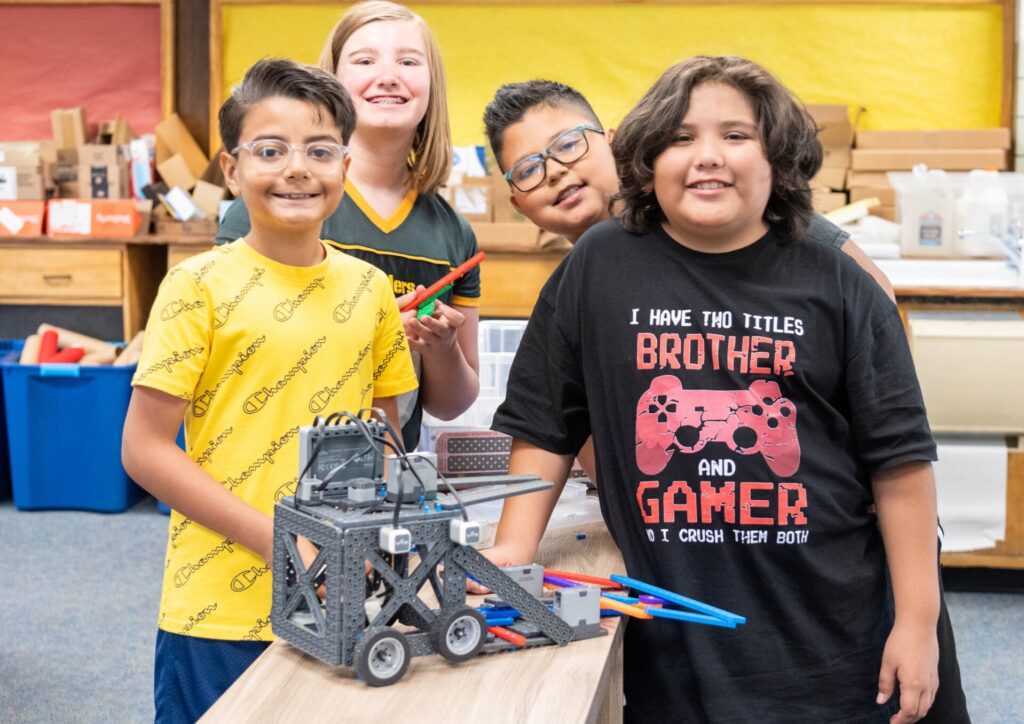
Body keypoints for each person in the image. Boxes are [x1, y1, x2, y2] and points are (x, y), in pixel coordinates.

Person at [489, 56, 968, 722]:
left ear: (778, 155)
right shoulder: (596, 267)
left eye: (736, 136)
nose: (707, 155)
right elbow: (547, 422)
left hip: (836, 617)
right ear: (647, 158)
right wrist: (509, 553)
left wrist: (917, 622)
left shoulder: (833, 276)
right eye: (680, 138)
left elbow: (900, 459)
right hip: (687, 629)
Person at [122, 58, 418, 722]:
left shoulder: (370, 289)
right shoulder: (196, 287)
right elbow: (144, 451)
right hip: (219, 605)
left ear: (345, 166)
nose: (296, 167)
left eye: (319, 150)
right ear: (231, 169)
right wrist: (282, 542)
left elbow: (382, 437)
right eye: (270, 150)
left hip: (343, 593)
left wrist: (370, 548)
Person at [216, 1, 480, 450]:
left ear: (432, 85)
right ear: (332, 83)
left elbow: (450, 404)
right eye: (364, 60)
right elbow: (231, 363)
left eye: (409, 61)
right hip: (265, 471)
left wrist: (441, 348)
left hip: (387, 481)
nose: (388, 74)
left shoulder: (453, 234)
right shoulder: (272, 205)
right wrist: (363, 330)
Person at [482, 79, 896, 301]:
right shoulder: (576, 280)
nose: (554, 171)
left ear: (612, 141)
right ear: (519, 203)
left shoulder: (701, 208)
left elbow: (874, 290)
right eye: (529, 168)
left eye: (568, 144)